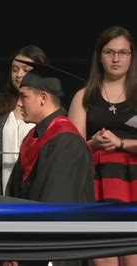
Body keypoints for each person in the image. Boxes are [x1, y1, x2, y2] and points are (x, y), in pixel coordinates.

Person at [4, 60, 94, 266]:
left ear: (43, 98)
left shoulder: (66, 141)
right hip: (30, 249)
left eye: (23, 96)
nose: (18, 103)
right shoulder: (34, 138)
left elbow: (56, 207)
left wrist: (24, 252)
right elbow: (14, 195)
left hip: (53, 252)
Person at [68, 26, 137, 266]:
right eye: (109, 52)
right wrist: (92, 143)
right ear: (100, 55)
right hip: (98, 183)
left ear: (131, 56)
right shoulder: (84, 96)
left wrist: (122, 143)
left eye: (123, 52)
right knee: (104, 258)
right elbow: (72, 149)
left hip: (134, 184)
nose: (116, 58)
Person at [0, 46, 48, 195]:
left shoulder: (47, 109)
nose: (19, 75)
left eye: (26, 69)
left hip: (33, 189)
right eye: (15, 69)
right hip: (0, 189)